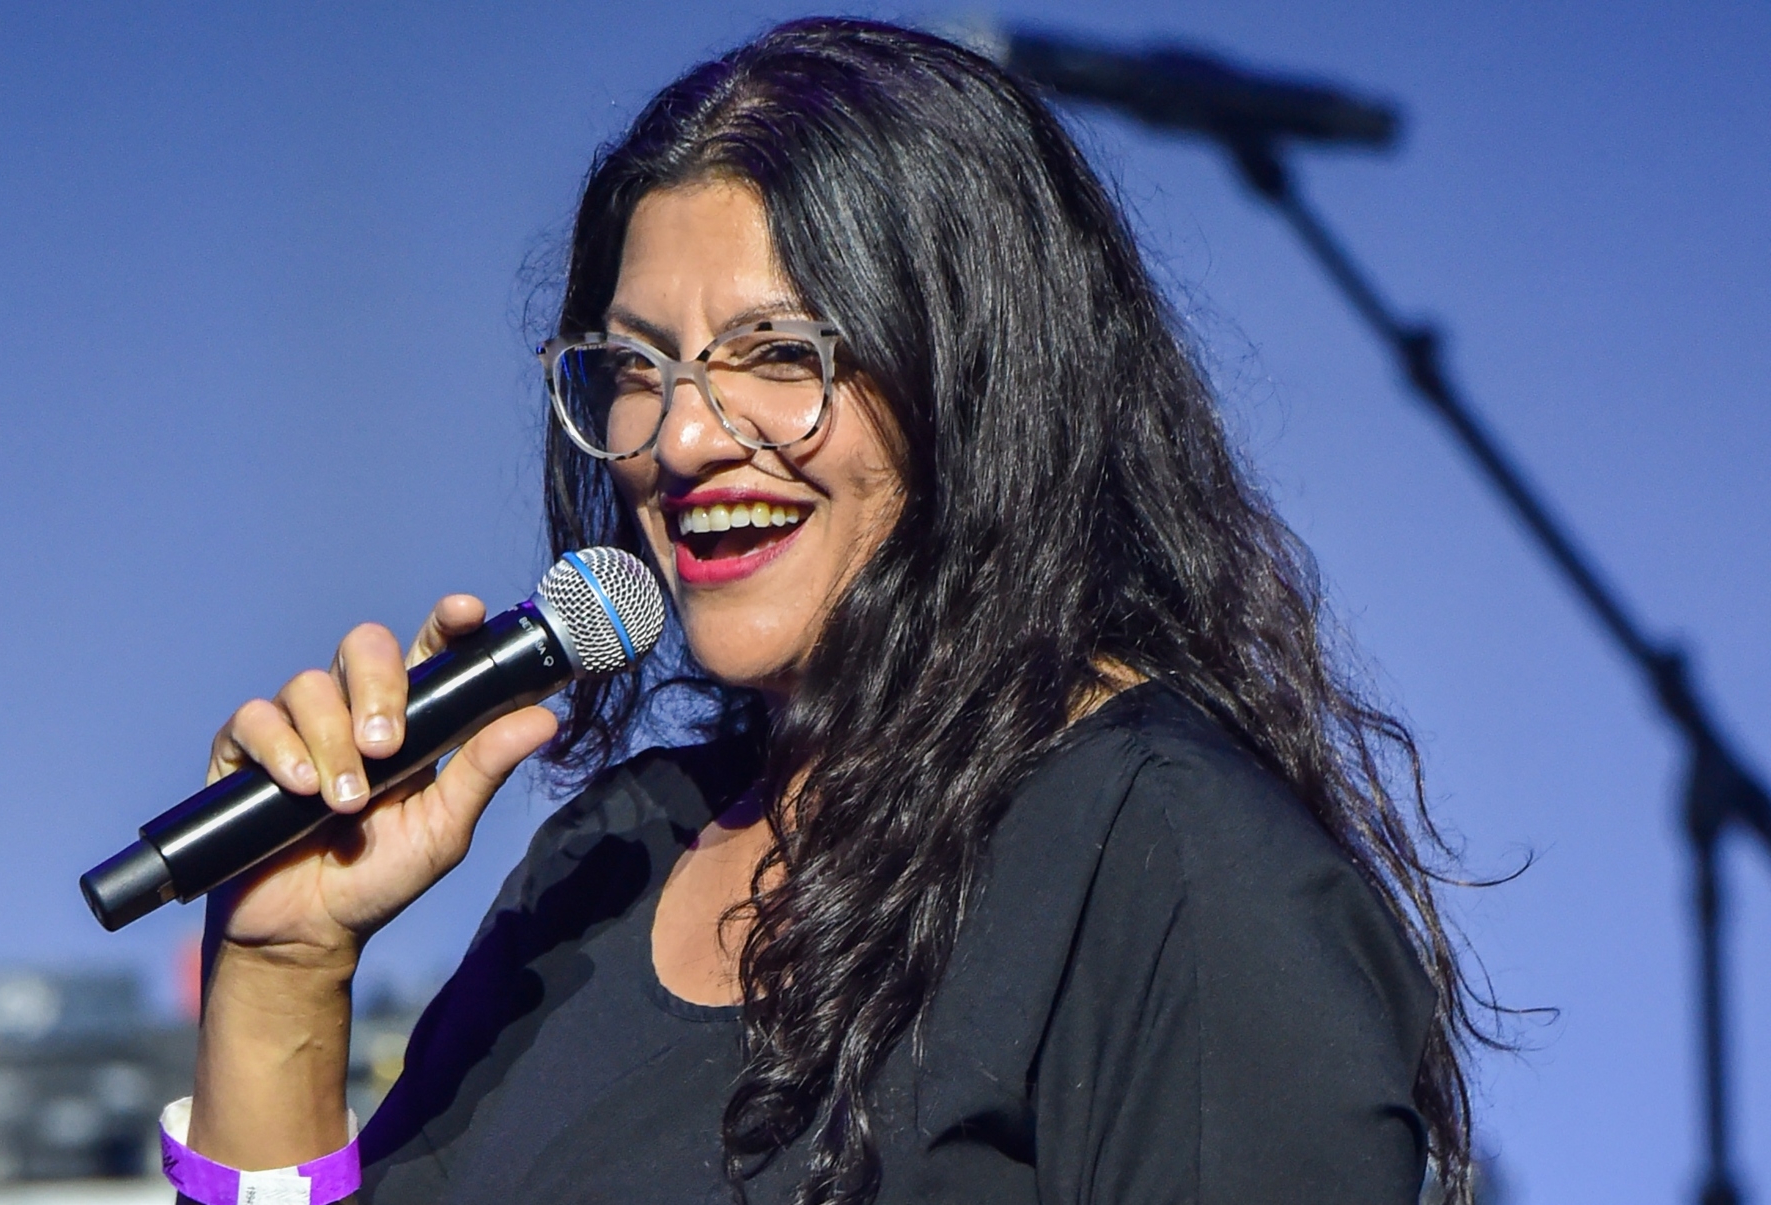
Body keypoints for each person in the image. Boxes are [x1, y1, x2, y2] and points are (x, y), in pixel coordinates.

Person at [173, 18, 1483, 1205]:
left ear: (981, 380)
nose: (683, 435)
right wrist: (282, 977)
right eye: (635, 368)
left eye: (782, 353)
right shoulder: (612, 863)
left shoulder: (1169, 862)